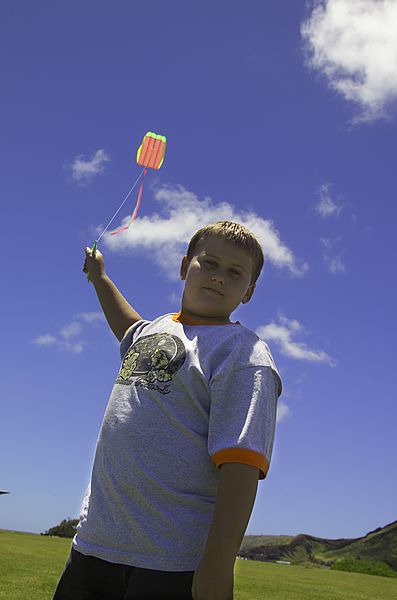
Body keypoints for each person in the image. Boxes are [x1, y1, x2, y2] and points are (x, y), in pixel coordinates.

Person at [52, 221, 282, 600]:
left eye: (234, 272)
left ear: (249, 292)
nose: (219, 277)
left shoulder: (242, 353)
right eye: (208, 263)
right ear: (183, 267)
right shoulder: (153, 332)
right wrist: (99, 278)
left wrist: (218, 564)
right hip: (93, 544)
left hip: (171, 563)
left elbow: (241, 465)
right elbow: (127, 324)